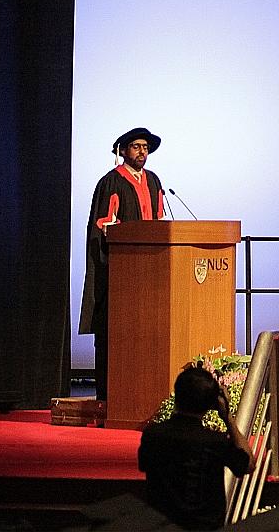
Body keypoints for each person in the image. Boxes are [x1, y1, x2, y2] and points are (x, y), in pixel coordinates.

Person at [79, 126, 166, 400]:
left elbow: (158, 222)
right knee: (116, 331)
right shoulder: (112, 182)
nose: (142, 152)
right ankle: (111, 396)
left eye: (145, 147)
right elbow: (104, 224)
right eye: (137, 146)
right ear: (124, 150)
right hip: (120, 270)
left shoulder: (153, 181)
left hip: (149, 269)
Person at [138, 363, 251, 530]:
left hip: (161, 526)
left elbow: (144, 465)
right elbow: (247, 465)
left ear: (176, 395)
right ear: (212, 403)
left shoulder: (153, 435)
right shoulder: (215, 441)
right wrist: (228, 418)